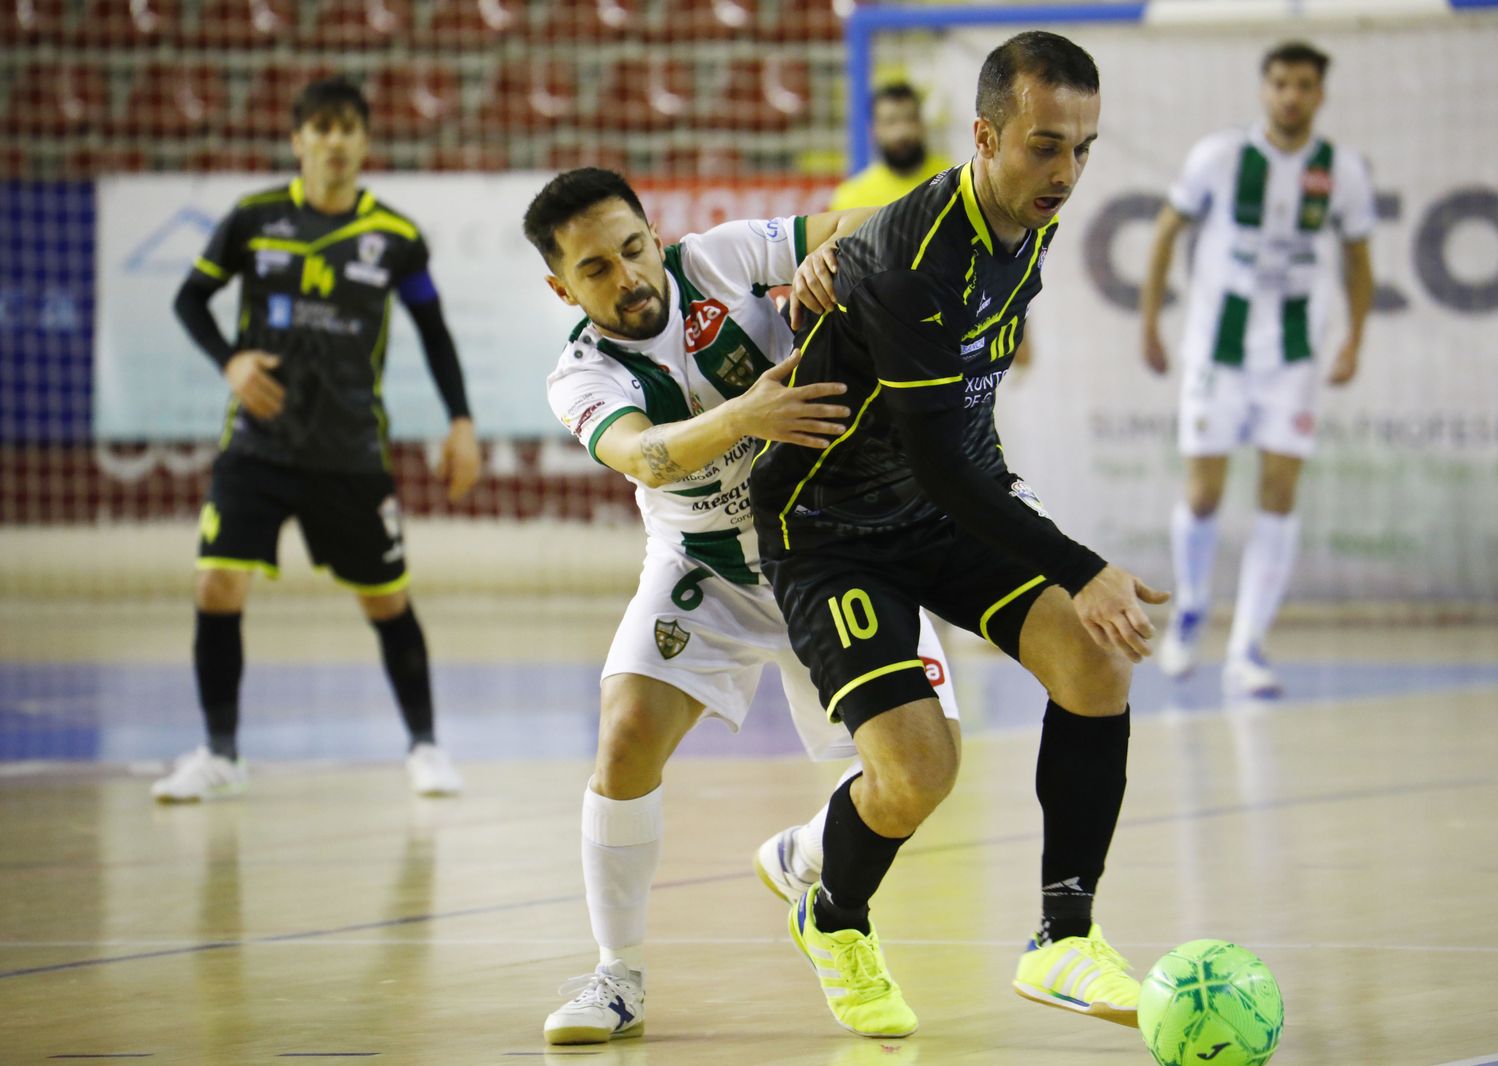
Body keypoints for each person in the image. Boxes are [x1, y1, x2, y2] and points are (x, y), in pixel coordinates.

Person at [749, 31, 1167, 1039]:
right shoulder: (916, 266)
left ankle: (1064, 936)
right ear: (984, 136)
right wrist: (1084, 565)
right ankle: (832, 911)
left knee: (1093, 664)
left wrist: (838, 251)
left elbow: (947, 447)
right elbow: (941, 456)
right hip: (831, 526)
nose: (1064, 173)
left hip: (938, 508)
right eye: (1041, 146)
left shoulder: (1025, 213)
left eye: (1082, 147)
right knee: (918, 772)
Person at [522, 168, 962, 1045]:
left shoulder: (721, 259)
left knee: (923, 776)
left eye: (634, 250)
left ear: (657, 236)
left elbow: (866, 218)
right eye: (597, 270)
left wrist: (837, 254)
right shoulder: (580, 374)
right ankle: (618, 978)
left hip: (836, 548)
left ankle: (804, 857)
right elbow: (644, 456)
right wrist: (748, 417)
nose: (629, 278)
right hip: (707, 567)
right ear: (561, 286)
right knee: (623, 738)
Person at [155, 77, 481, 802]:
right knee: (215, 584)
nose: (334, 141)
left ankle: (426, 747)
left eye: (348, 128)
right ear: (298, 139)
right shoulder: (253, 219)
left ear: (365, 142)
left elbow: (434, 332)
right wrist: (230, 360)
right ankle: (221, 753)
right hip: (257, 447)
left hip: (351, 454)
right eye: (321, 128)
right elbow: (189, 299)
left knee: (386, 601)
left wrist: (461, 420)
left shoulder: (395, 238)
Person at [1140, 41, 1376, 696]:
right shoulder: (1219, 158)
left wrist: (1354, 339)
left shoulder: (1343, 172)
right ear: (1264, 89)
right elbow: (1164, 233)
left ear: (1320, 94)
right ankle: (1190, 610)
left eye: (1303, 85)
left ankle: (1248, 647)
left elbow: (1360, 262)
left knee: (1278, 493)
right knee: (1205, 492)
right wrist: (1151, 321)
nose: (1291, 95)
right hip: (1218, 350)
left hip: (1293, 358)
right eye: (1279, 83)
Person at [830, 82, 955, 213]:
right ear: (874, 130)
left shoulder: (954, 183)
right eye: (891, 121)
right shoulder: (852, 199)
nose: (902, 131)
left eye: (910, 119)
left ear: (922, 124)